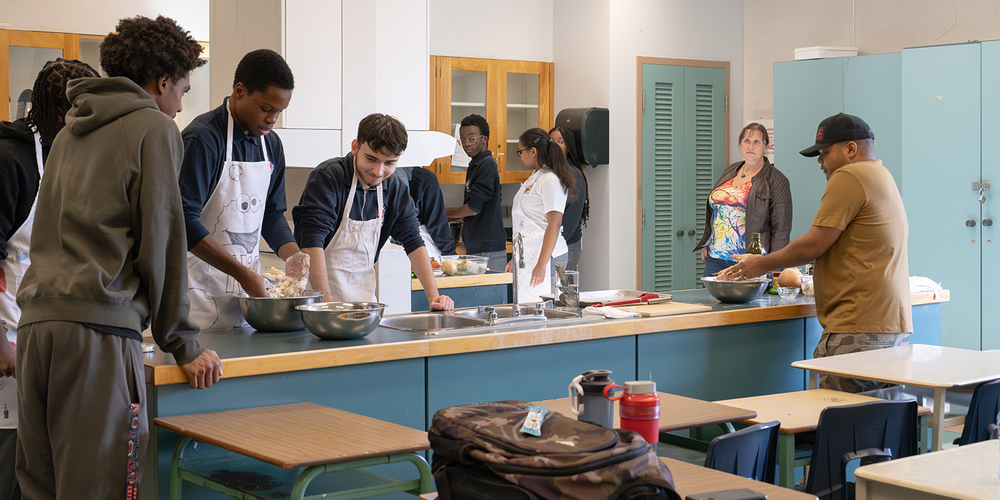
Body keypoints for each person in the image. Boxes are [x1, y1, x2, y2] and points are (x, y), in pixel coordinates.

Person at [14, 16, 223, 499]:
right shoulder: (154, 129)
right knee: (103, 488)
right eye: (182, 91)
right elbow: (164, 241)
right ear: (163, 81)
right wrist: (183, 344)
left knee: (42, 489)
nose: (179, 106)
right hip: (97, 339)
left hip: (38, 330)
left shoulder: (68, 132)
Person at [719, 113, 911, 393]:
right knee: (879, 423)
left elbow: (813, 245)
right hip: (890, 324)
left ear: (850, 149)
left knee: (841, 423)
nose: (821, 162)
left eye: (824, 153)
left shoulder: (849, 175)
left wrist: (760, 264)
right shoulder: (881, 174)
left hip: (857, 327)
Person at [0, 58, 100, 500]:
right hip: (7, 331)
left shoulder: (71, 156)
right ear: (63, 113)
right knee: (9, 460)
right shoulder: (11, 160)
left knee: (40, 464)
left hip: (47, 332)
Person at [179, 49, 309, 330]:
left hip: (247, 304)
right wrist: (243, 274)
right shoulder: (203, 139)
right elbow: (183, 221)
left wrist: (292, 254)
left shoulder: (271, 145)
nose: (273, 119)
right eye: (266, 109)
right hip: (196, 299)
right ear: (240, 91)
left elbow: (272, 213)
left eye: (279, 112)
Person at [294, 113, 455, 310]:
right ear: (355, 147)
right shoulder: (329, 177)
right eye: (371, 159)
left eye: (389, 163)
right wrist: (326, 305)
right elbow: (311, 242)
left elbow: (413, 241)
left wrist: (434, 297)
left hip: (363, 303)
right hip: (317, 300)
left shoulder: (394, 187)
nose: (378, 172)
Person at [694, 123, 792, 277]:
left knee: (744, 302)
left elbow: (781, 231)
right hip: (715, 258)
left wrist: (774, 271)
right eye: (747, 141)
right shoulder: (730, 170)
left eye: (757, 142)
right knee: (709, 301)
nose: (751, 146)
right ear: (740, 144)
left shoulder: (777, 180)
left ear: (766, 146)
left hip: (748, 261)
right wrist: (709, 239)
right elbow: (720, 209)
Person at [506, 128, 576, 303]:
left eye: (520, 152)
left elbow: (555, 223)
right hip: (528, 255)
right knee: (526, 306)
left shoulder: (550, 179)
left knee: (542, 307)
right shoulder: (536, 177)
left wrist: (542, 264)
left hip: (546, 257)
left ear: (533, 151)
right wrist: (515, 258)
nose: (520, 156)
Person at [445, 114, 506, 271]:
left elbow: (473, 208)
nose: (466, 144)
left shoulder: (486, 165)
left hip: (488, 248)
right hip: (479, 246)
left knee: (489, 294)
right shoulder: (476, 164)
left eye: (472, 139)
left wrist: (442, 215)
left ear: (484, 139)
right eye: (463, 140)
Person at [393, 166, 456, 260]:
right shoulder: (426, 178)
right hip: (423, 244)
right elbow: (437, 224)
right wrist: (451, 255)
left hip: (392, 245)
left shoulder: (381, 173)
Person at [549, 126, 589, 272]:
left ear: (568, 148)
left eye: (560, 142)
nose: (555, 145)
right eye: (551, 141)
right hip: (553, 244)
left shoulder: (574, 176)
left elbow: (570, 221)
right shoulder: (548, 172)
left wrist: (551, 243)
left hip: (566, 246)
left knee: (564, 293)